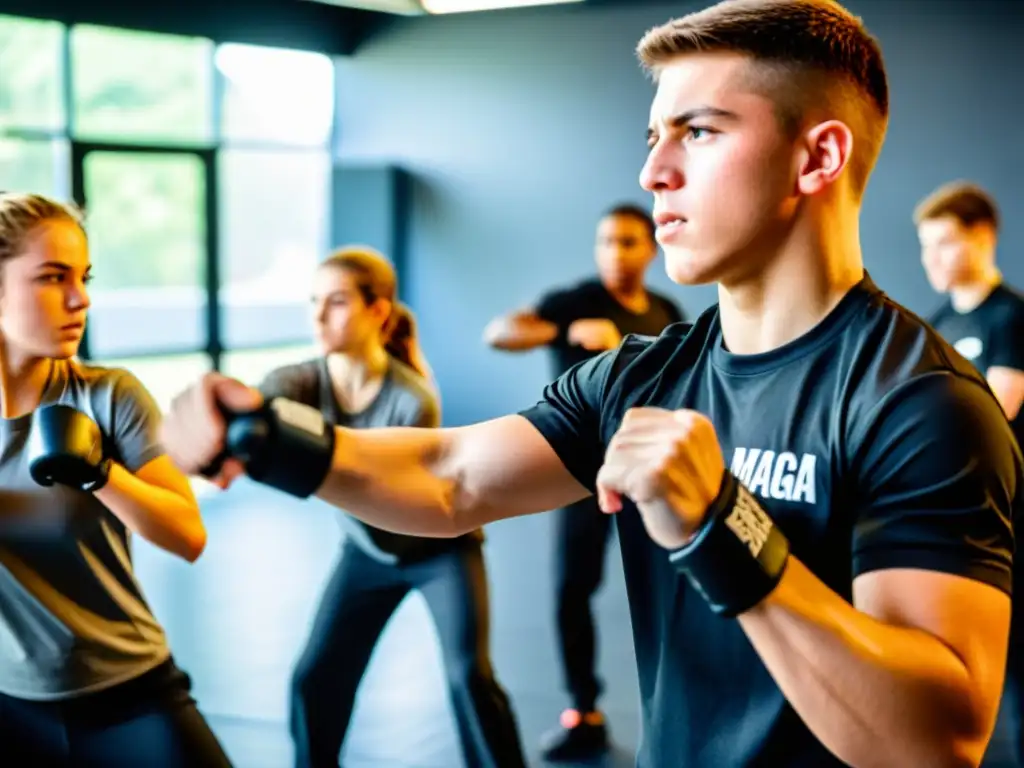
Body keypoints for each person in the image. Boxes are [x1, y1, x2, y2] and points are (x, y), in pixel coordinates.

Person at [160, 1, 1020, 766]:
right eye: (655, 137)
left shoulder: (922, 403)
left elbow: (932, 743)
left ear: (816, 156)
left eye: (701, 131)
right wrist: (270, 436)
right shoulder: (645, 374)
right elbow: (451, 476)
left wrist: (725, 528)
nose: (654, 174)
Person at [253, 247, 526, 768]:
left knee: (469, 677)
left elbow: (372, 485)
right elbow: (259, 404)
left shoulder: (411, 397)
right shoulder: (302, 381)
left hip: (440, 553)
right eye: (313, 301)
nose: (317, 315)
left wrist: (296, 457)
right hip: (366, 553)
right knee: (314, 678)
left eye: (335, 302)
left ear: (377, 311)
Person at [0, 192, 230, 766]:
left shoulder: (108, 395)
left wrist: (99, 474)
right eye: (53, 278)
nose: (80, 299)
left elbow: (188, 535)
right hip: (10, 704)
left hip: (127, 690)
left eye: (84, 277)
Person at [483, 203, 684, 761]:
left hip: (649, 473)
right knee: (573, 590)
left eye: (626, 243)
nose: (614, 254)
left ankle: (680, 710)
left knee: (675, 591)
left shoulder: (666, 311)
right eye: (605, 242)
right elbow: (500, 332)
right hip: (583, 475)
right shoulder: (575, 300)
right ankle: (583, 711)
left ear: (649, 248)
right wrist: (562, 329)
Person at [915, 182, 1024, 768]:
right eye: (925, 247)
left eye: (944, 243)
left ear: (982, 236)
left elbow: (995, 408)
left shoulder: (1011, 316)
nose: (931, 259)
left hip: (1012, 517)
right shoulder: (935, 324)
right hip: (960, 521)